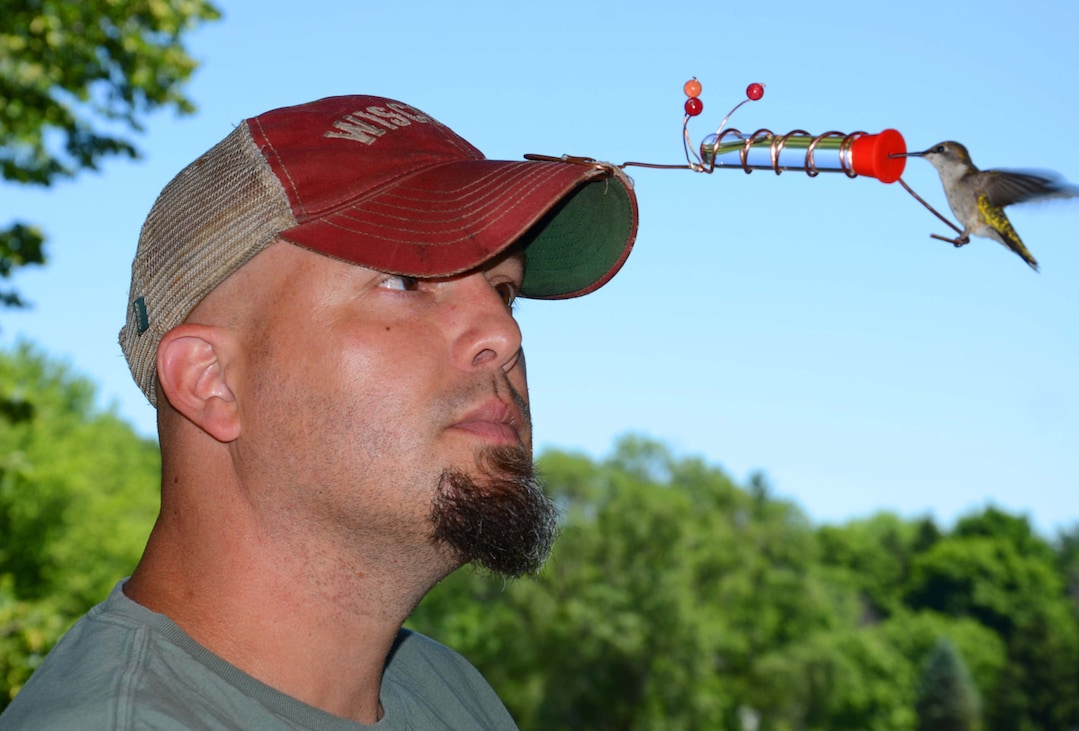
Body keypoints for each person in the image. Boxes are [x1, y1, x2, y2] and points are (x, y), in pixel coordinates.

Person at [0, 94, 637, 729]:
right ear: (211, 382)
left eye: (503, 290)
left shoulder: (447, 693)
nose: (503, 332)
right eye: (404, 281)